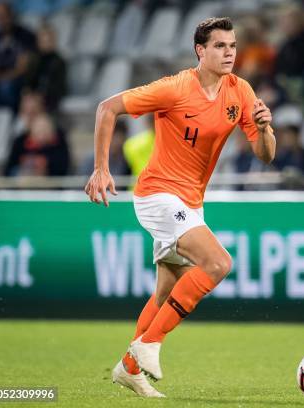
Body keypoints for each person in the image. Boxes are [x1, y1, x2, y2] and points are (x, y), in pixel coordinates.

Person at [84, 17, 275, 398]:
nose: (229, 53)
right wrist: (101, 169)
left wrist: (266, 128)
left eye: (233, 45)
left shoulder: (240, 92)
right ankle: (148, 345)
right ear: (200, 51)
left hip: (190, 203)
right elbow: (107, 108)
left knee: (165, 292)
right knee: (218, 263)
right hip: (157, 195)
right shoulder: (174, 88)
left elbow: (265, 155)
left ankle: (129, 369)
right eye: (220, 46)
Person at [0, 1, 36, 114]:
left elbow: (22, 68)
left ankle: (8, 117)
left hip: (19, 82)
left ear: (10, 15)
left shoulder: (26, 35)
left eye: (2, 16)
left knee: (5, 87)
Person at [3, 113, 69, 176]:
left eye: (45, 128)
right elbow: (9, 168)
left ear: (52, 131)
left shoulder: (59, 144)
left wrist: (44, 167)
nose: (42, 132)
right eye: (39, 129)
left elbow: (62, 168)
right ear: (31, 130)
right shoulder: (20, 142)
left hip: (50, 182)